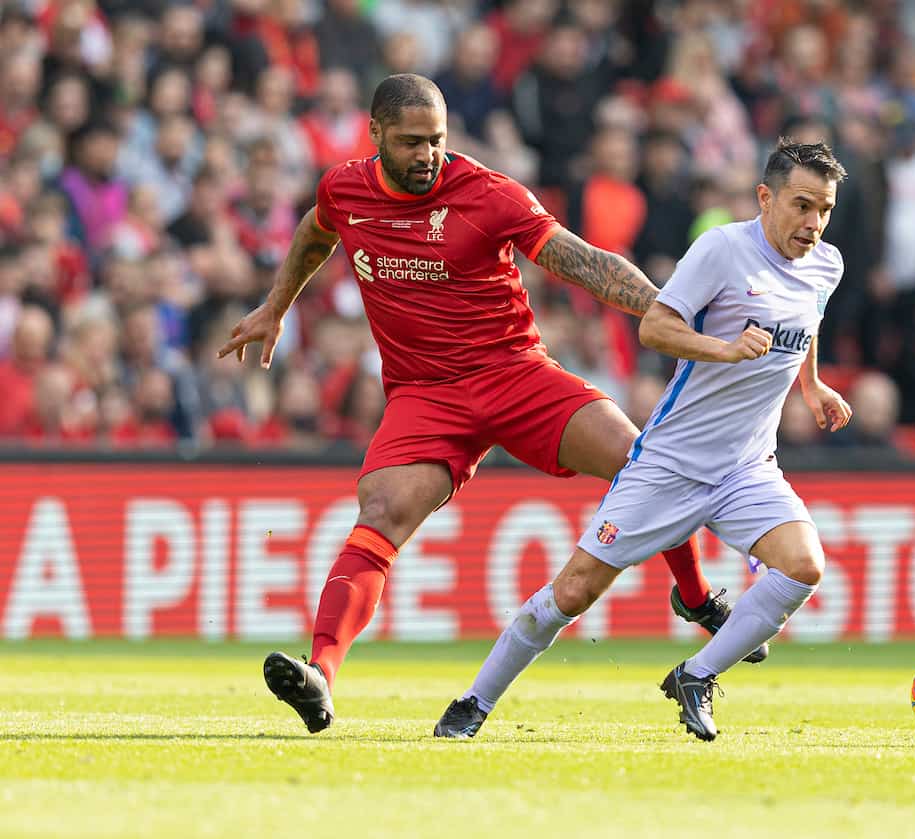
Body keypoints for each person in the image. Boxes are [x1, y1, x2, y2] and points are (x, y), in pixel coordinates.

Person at [217, 74, 762, 734]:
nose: (427, 155)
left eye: (437, 141)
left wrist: (677, 318)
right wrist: (275, 307)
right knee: (382, 510)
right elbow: (316, 229)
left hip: (514, 374)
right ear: (376, 135)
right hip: (425, 393)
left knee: (639, 457)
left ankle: (699, 599)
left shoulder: (486, 192)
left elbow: (585, 263)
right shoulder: (345, 188)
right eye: (412, 142)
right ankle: (321, 675)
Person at [433, 140, 853, 742]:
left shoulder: (826, 264)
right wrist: (724, 349)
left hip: (747, 468)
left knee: (804, 566)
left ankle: (696, 676)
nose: (813, 223)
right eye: (801, 205)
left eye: (825, 210)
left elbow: (805, 320)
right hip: (671, 464)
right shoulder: (722, 250)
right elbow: (656, 326)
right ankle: (474, 701)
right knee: (575, 591)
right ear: (766, 198)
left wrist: (812, 388)